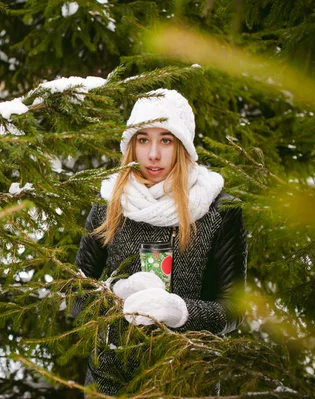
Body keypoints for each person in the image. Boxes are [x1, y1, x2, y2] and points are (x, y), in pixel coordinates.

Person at [74, 88, 248, 395]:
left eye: (165, 140)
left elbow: (233, 312)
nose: (153, 154)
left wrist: (180, 310)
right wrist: (118, 294)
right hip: (111, 379)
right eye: (143, 140)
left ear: (183, 145)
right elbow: (74, 295)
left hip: (190, 380)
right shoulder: (109, 201)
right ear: (131, 145)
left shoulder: (219, 209)